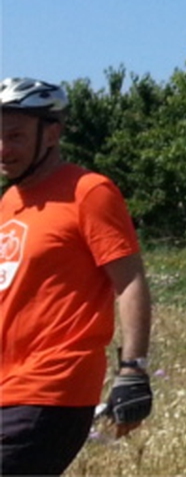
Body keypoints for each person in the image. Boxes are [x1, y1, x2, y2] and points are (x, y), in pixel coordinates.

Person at [0, 77, 154, 477]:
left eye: (14, 136)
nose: (3, 149)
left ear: (52, 133)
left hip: (51, 389)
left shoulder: (88, 191)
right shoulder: (9, 201)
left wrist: (133, 370)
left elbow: (130, 280)